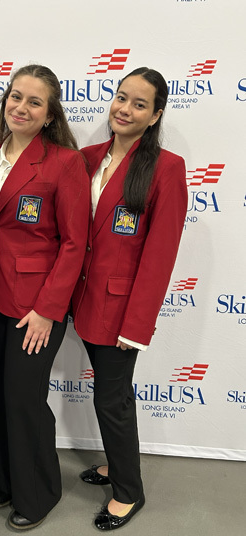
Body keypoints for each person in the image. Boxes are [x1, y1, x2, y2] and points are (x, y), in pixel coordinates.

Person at [0, 64, 90, 530]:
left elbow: (74, 243)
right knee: (0, 396)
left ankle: (38, 493)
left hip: (37, 306)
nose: (21, 107)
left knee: (24, 399)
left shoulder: (64, 163)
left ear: (49, 114)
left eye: (34, 102)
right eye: (15, 96)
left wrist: (47, 310)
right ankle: (8, 478)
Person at [72, 67, 187, 530]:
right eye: (121, 98)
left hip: (120, 313)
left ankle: (128, 491)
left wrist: (136, 327)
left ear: (155, 114)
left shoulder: (166, 168)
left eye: (140, 104)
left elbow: (160, 258)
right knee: (112, 396)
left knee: (111, 400)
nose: (125, 109)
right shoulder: (86, 157)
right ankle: (116, 466)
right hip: (80, 304)